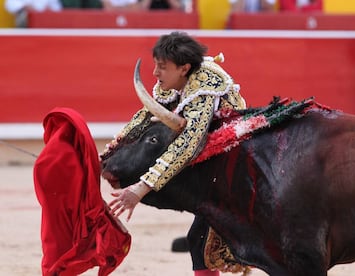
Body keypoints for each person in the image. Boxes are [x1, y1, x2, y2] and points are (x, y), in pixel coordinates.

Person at [100, 31, 247, 275]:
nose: (155, 74)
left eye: (161, 67)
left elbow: (187, 144)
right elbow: (146, 117)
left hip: (229, 164)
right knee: (199, 239)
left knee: (201, 238)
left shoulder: (204, 89)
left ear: (184, 68)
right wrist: (109, 153)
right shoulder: (173, 82)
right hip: (205, 166)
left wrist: (139, 189)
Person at [33, 107, 131, 275]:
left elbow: (42, 187)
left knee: (54, 247)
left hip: (54, 212)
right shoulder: (82, 154)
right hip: (75, 209)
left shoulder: (46, 157)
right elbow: (90, 187)